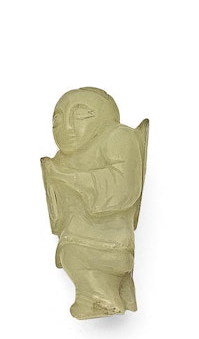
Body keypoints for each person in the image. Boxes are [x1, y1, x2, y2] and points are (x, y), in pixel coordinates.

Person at [41, 87, 148, 318]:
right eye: (58, 120)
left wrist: (68, 178)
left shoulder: (118, 137)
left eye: (80, 115)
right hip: (76, 237)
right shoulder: (62, 158)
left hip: (108, 242)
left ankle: (103, 298)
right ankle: (97, 298)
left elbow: (124, 186)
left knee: (76, 256)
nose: (67, 127)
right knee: (71, 255)